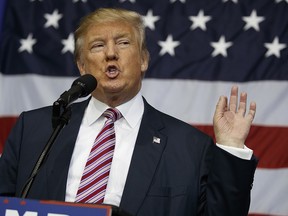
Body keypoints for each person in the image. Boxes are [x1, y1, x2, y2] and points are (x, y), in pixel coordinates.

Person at [0, 8, 257, 216]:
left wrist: (232, 146)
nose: (111, 54)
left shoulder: (189, 146)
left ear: (143, 59)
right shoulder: (34, 129)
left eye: (123, 43)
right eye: (97, 46)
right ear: (81, 65)